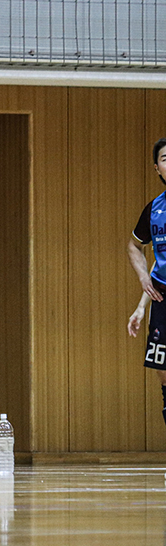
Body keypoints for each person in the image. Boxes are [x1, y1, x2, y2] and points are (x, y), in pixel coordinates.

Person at [127, 137, 166, 427]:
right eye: (165, 159)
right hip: (162, 300)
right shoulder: (154, 209)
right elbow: (135, 246)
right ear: (157, 168)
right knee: (164, 373)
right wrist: (142, 301)